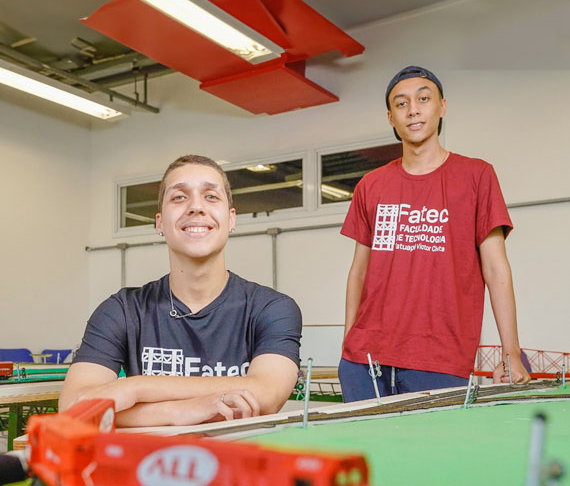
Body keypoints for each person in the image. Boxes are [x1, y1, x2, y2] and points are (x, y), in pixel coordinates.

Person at [60, 155, 302, 426]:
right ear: (160, 223)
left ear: (231, 219)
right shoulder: (122, 310)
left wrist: (135, 388)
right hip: (148, 463)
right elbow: (73, 406)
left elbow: (265, 394)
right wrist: (177, 412)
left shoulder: (272, 308)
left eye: (211, 196)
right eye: (179, 197)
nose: (196, 206)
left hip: (240, 461)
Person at [339, 66, 530, 401]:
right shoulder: (371, 185)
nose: (413, 109)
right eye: (402, 103)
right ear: (390, 118)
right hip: (364, 361)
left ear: (442, 107)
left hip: (440, 360)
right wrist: (348, 345)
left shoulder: (477, 176)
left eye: (423, 99)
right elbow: (359, 272)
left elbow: (496, 269)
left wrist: (510, 351)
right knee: (368, 454)